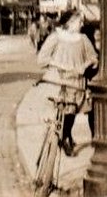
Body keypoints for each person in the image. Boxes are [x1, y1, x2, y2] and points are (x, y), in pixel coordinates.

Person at [38, 10, 98, 157]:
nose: (82, 24)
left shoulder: (83, 39)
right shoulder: (56, 38)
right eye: (79, 21)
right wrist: (60, 64)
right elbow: (42, 59)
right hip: (59, 82)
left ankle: (66, 137)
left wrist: (84, 65)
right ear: (70, 23)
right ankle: (64, 138)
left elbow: (94, 58)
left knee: (74, 111)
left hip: (76, 83)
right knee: (66, 112)